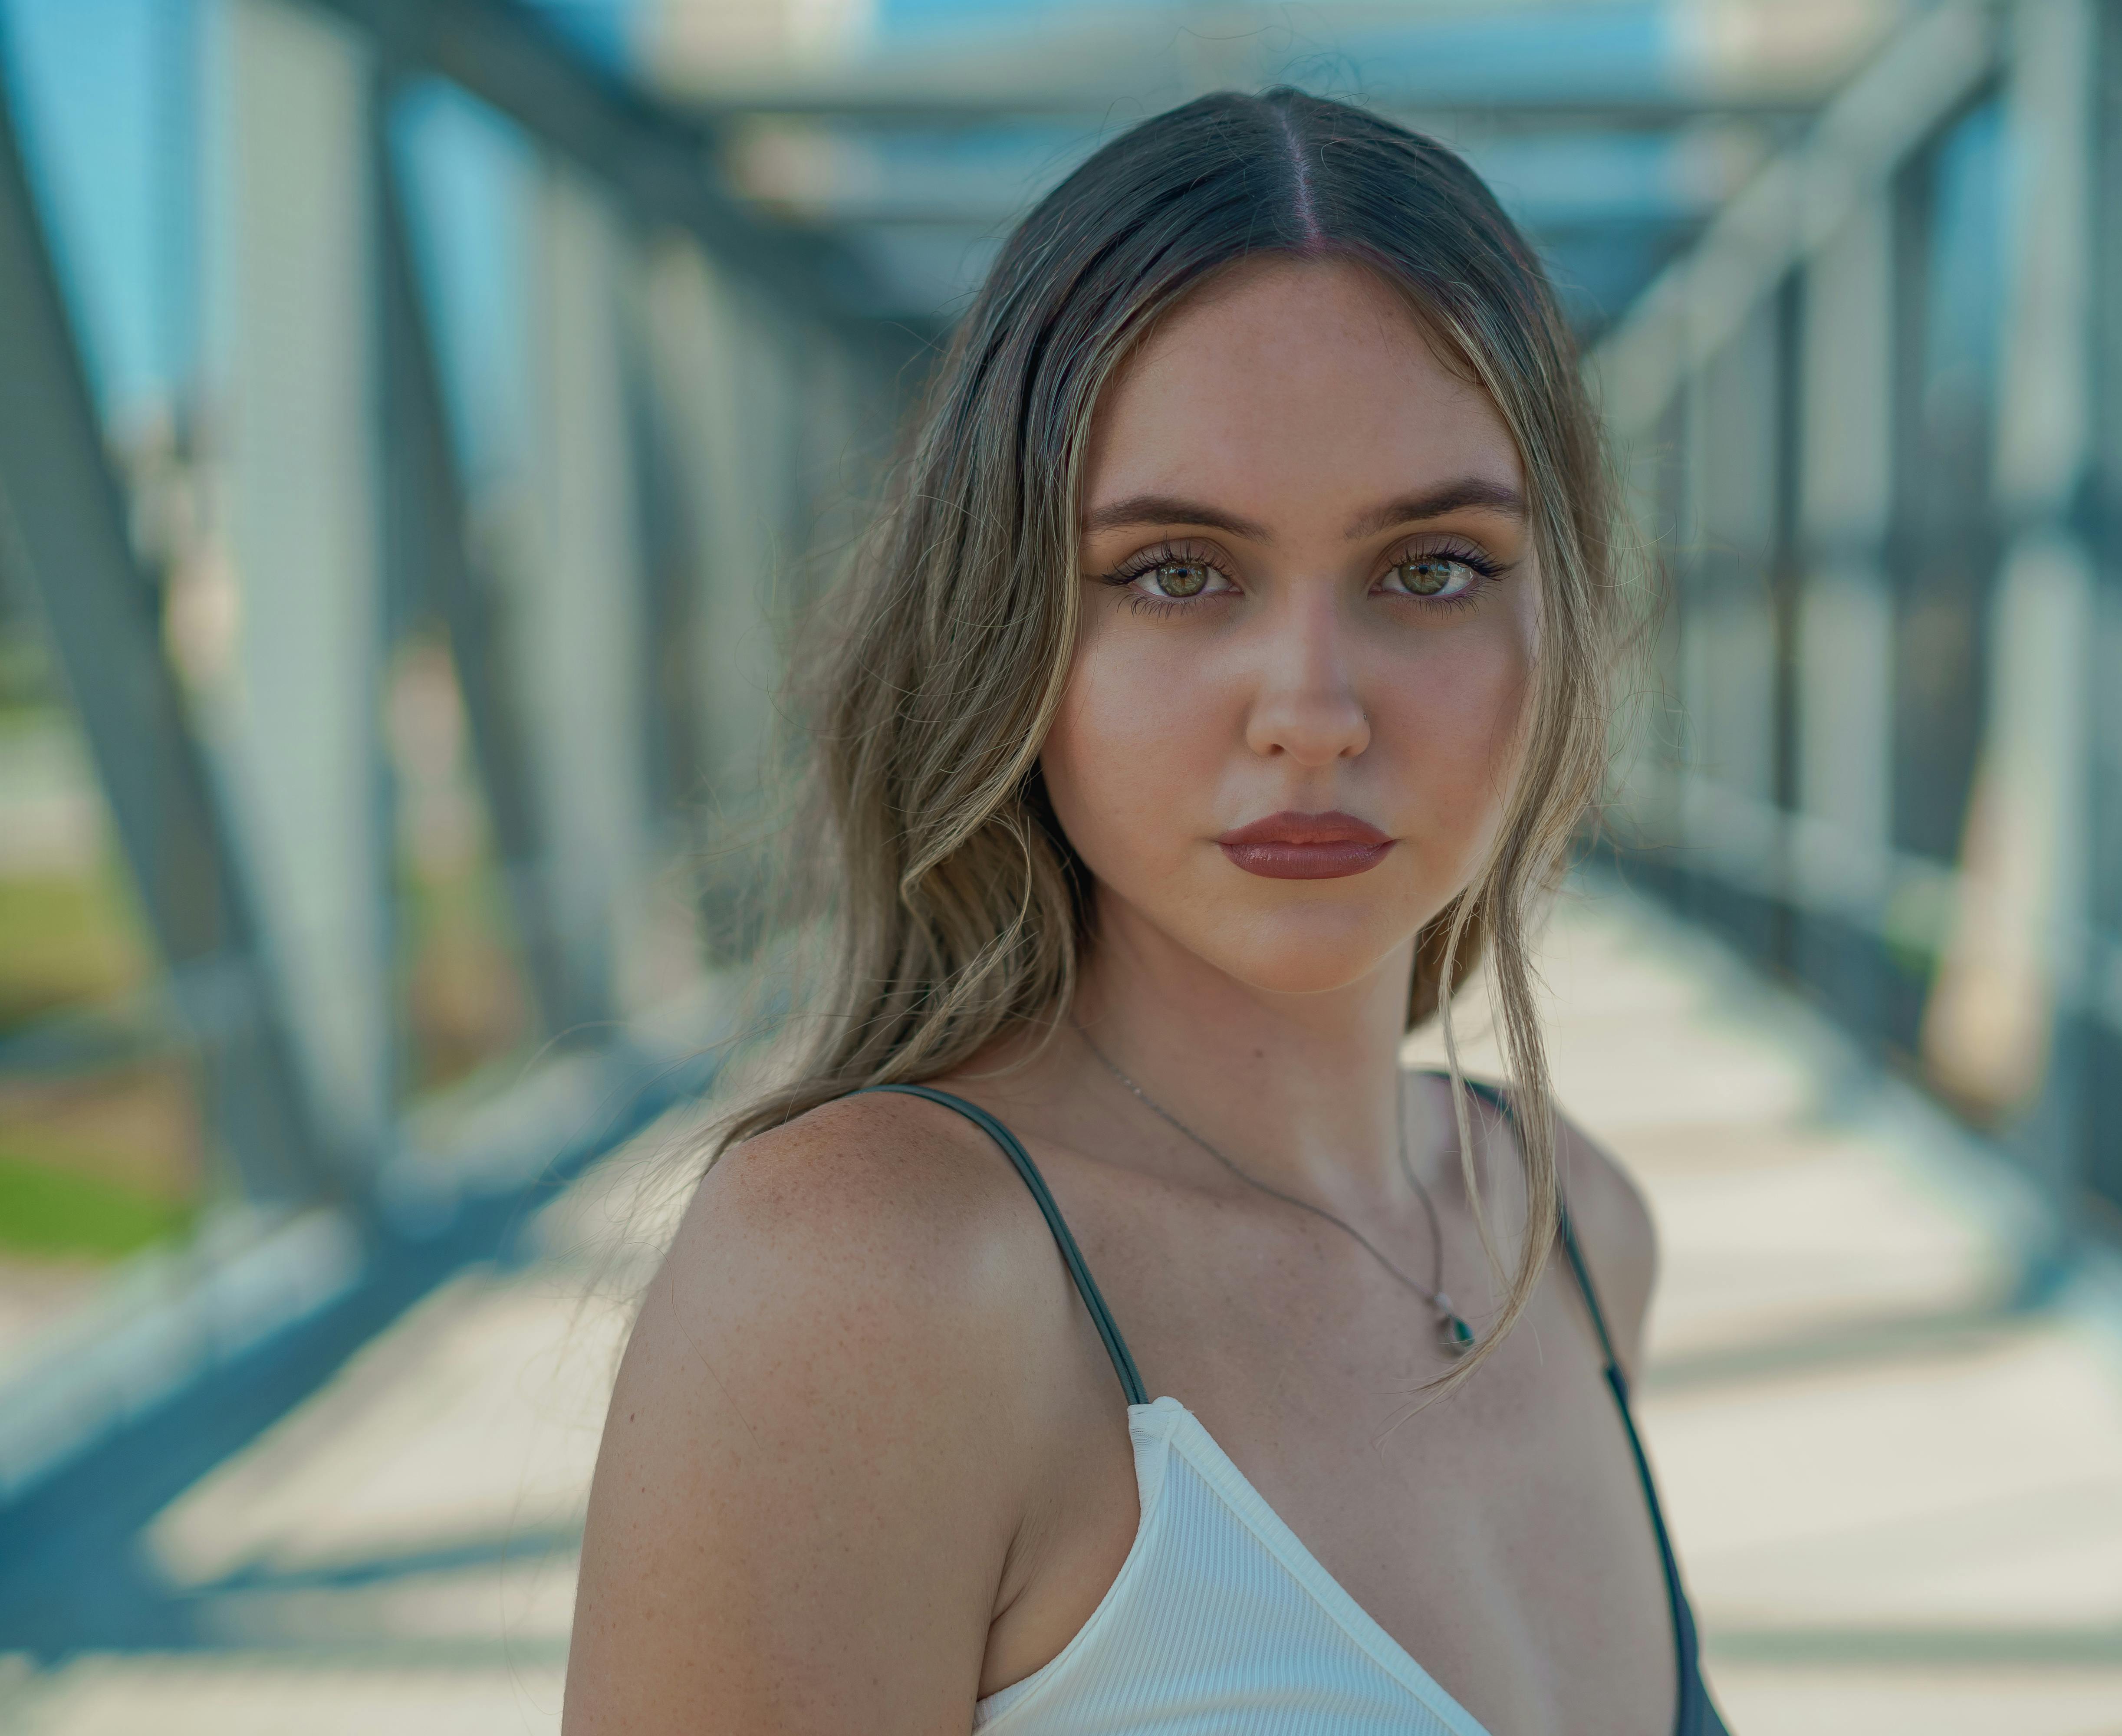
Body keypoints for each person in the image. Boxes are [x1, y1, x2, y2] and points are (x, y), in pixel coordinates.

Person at [565, 86, 1732, 1736]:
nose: (1314, 711)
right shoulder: (872, 1279)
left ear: (1562, 612)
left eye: (1432, 568)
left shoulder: (1580, 1238)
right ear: (1010, 625)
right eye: (1180, 572)